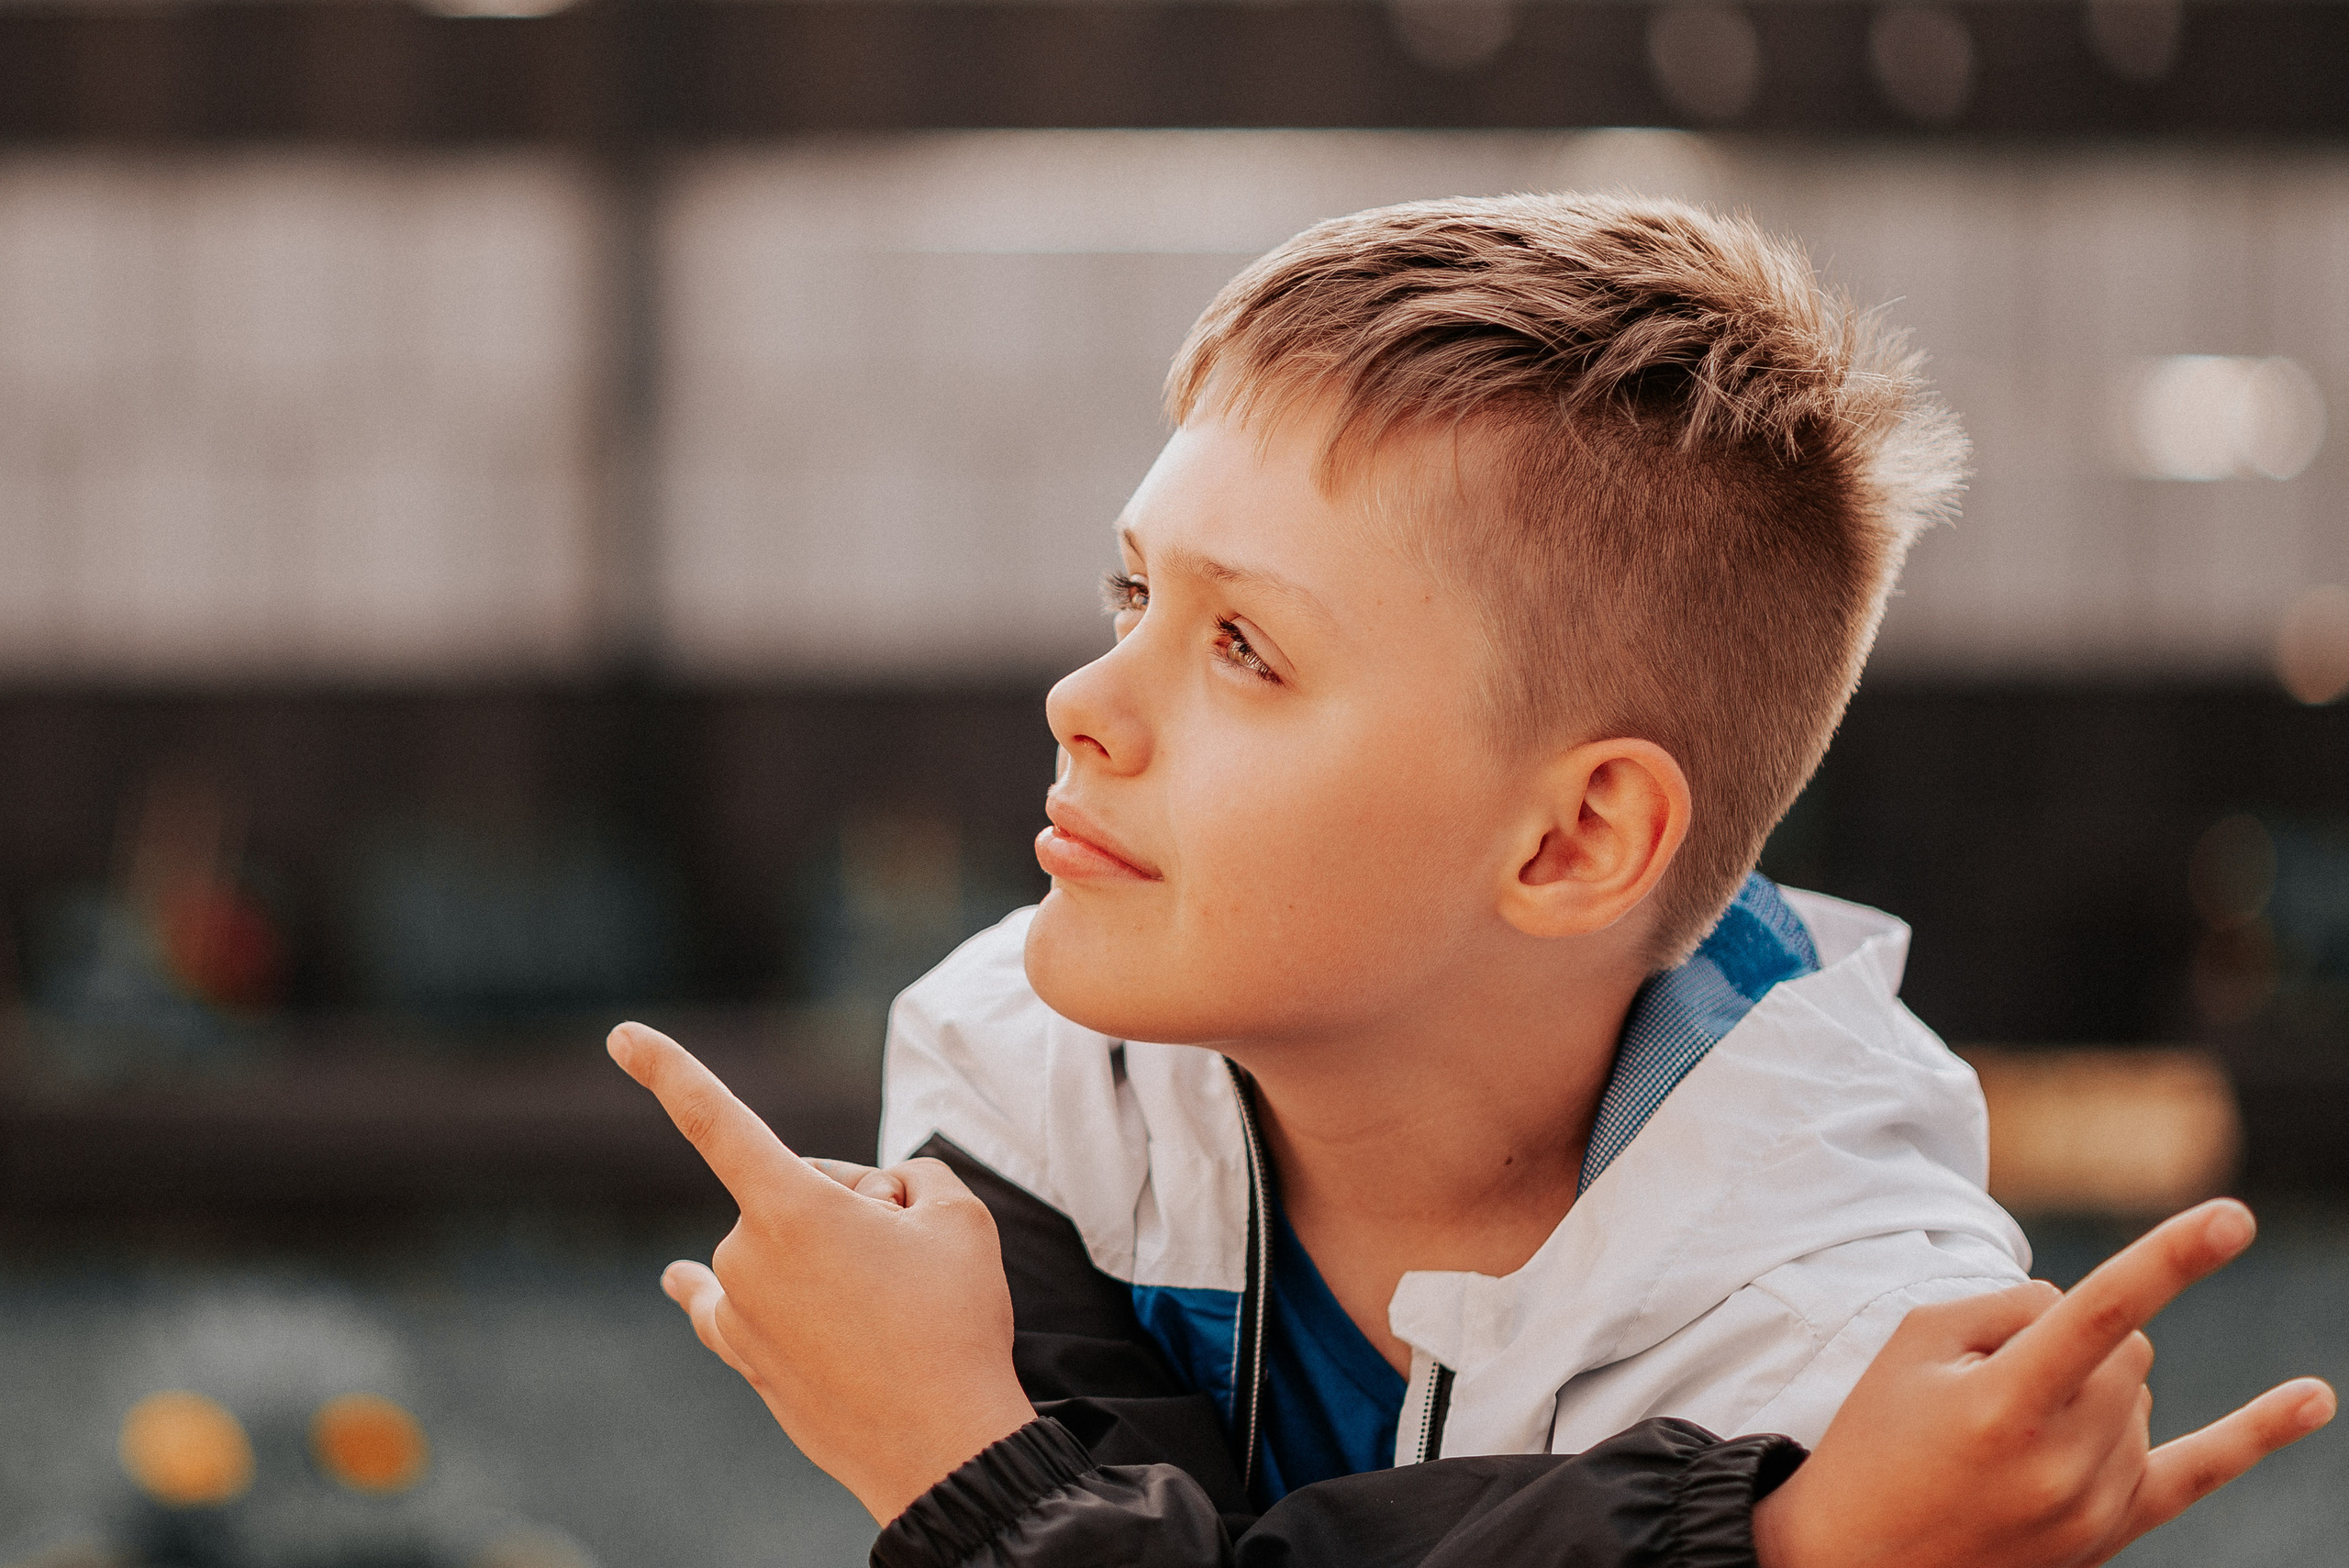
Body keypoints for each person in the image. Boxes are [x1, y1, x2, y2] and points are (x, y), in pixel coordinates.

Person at [609, 193, 2335, 1567]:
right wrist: (1771, 1546)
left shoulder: (1848, 1326)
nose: (1083, 702)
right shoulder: (1025, 1069)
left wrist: (946, 1454)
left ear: (1572, 839)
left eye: (1242, 646)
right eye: (1132, 595)